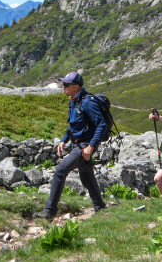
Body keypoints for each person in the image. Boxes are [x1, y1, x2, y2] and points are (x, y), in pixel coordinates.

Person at [33, 71, 107, 219]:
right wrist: (63, 140)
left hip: (85, 145)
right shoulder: (74, 100)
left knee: (60, 170)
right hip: (78, 144)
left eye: (66, 84)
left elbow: (102, 125)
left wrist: (91, 146)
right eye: (62, 84)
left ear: (76, 86)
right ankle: (101, 209)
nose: (63, 87)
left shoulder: (87, 102)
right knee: (86, 176)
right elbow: (73, 125)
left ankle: (49, 211)